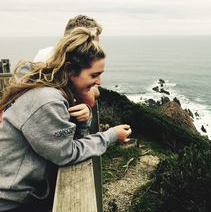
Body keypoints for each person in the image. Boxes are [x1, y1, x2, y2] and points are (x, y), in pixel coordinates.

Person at [0, 27, 131, 212]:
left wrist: (84, 119)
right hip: (11, 201)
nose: (99, 82)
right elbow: (66, 153)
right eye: (94, 75)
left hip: (22, 193)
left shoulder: (54, 90)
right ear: (70, 70)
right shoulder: (47, 101)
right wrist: (111, 136)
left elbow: (68, 139)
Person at [34, 14, 102, 105]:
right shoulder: (50, 60)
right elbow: (89, 97)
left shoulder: (44, 53)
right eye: (91, 45)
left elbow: (95, 89)